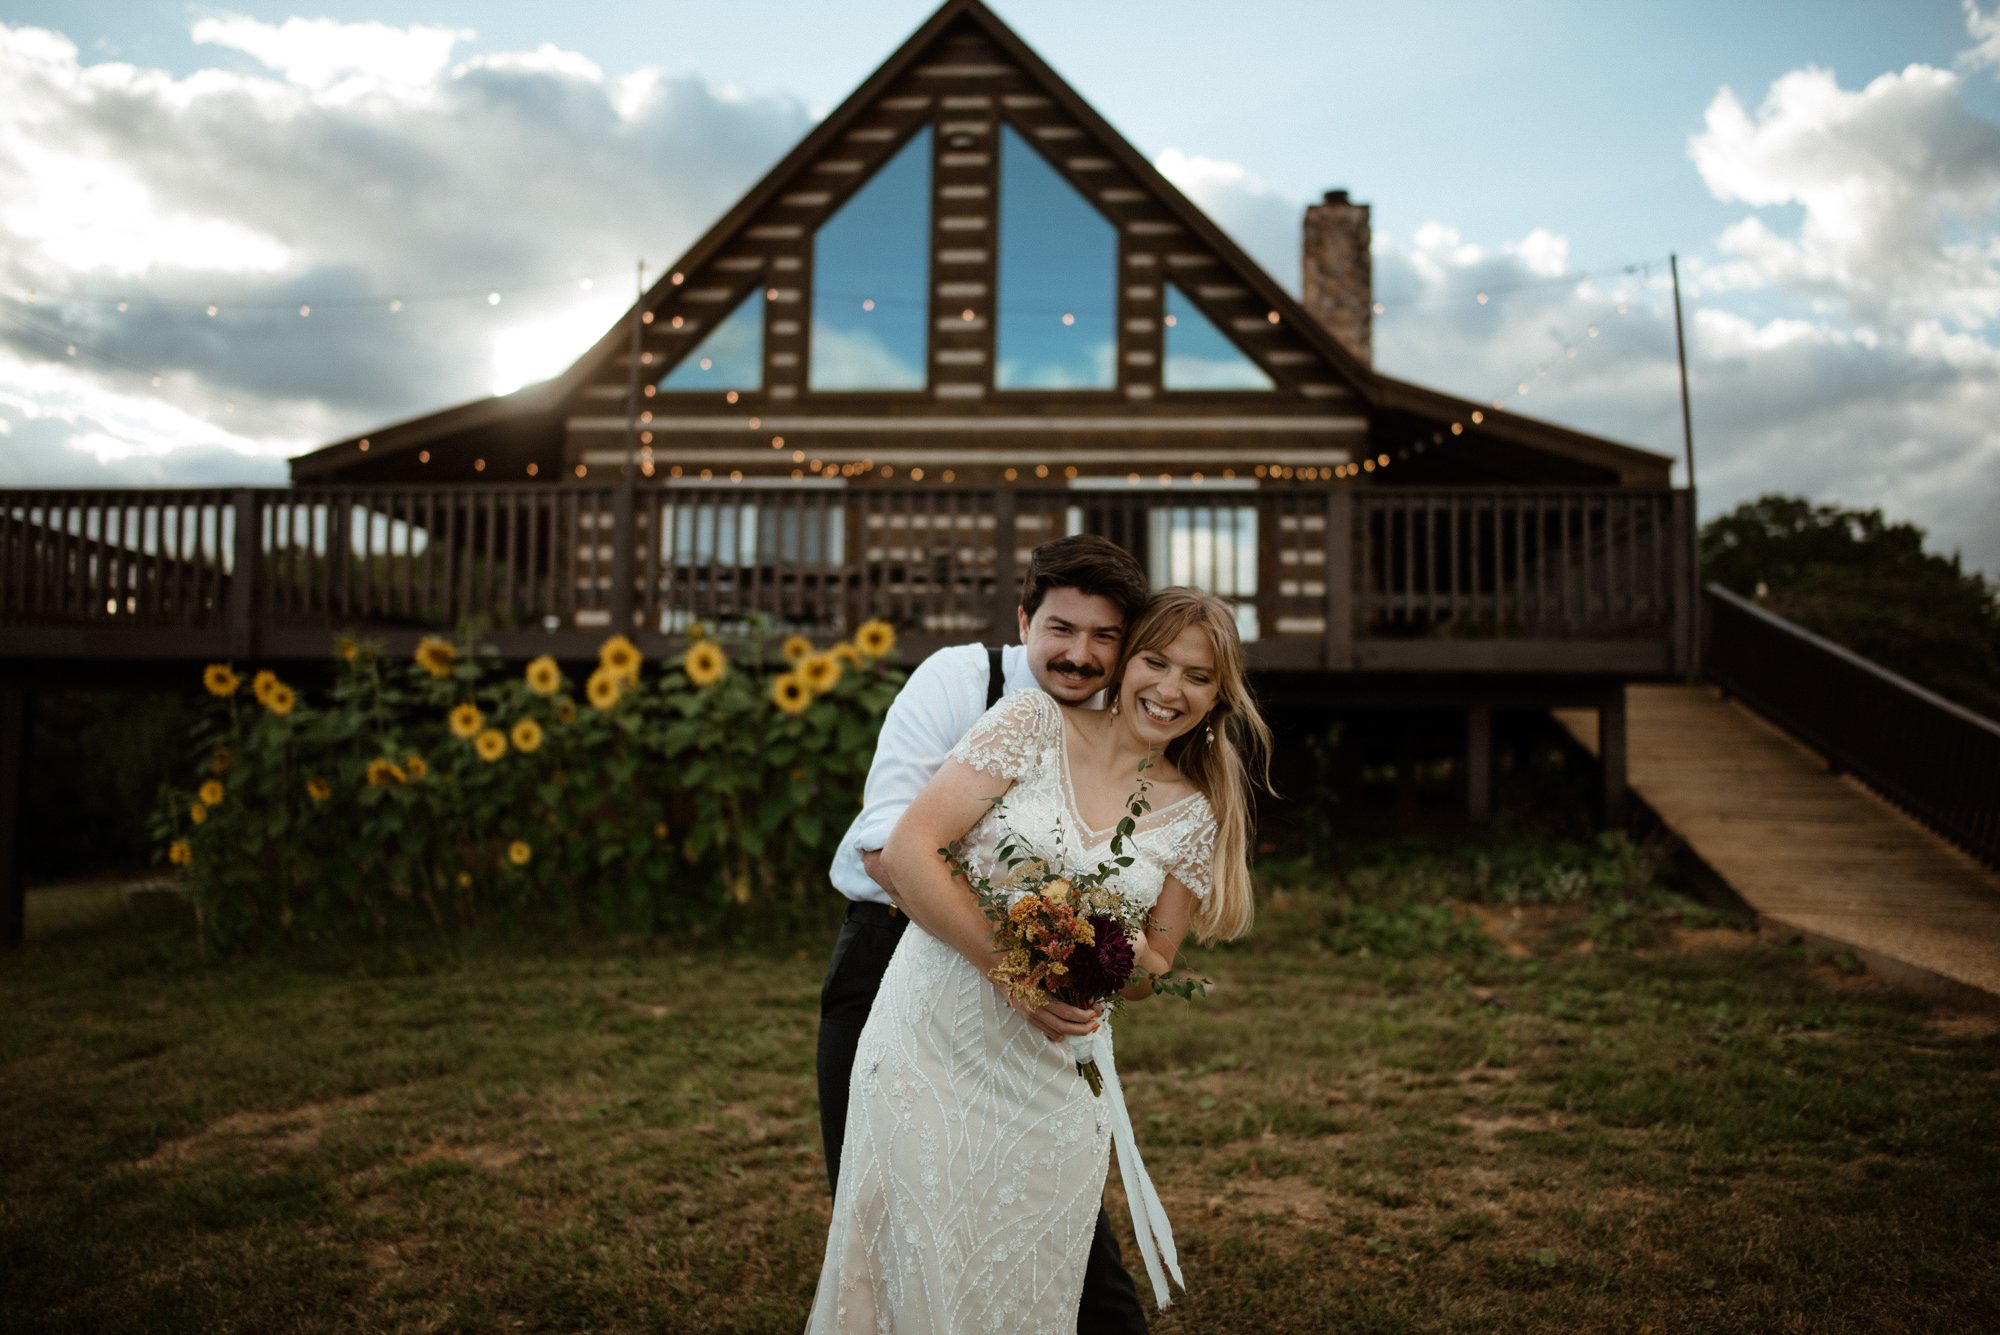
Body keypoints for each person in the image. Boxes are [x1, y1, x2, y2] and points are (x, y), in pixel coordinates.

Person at [805, 588, 1271, 1334]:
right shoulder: (1030, 723)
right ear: (1126, 661)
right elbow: (909, 849)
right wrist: (1013, 969)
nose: (1170, 688)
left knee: (1023, 1275)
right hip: (932, 1035)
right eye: (1155, 661)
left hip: (1053, 1073)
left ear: (1220, 695)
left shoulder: (1196, 809)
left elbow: (1156, 966)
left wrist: (1103, 948)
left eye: (1198, 676)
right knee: (914, 1261)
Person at [817, 533, 1152, 1333]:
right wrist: (1020, 968)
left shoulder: (1121, 721)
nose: (1079, 655)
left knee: (1050, 1221)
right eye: (1061, 629)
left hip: (1023, 1008)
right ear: (1022, 618)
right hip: (889, 965)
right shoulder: (961, 679)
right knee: (899, 1220)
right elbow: (887, 848)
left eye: (1105, 636)